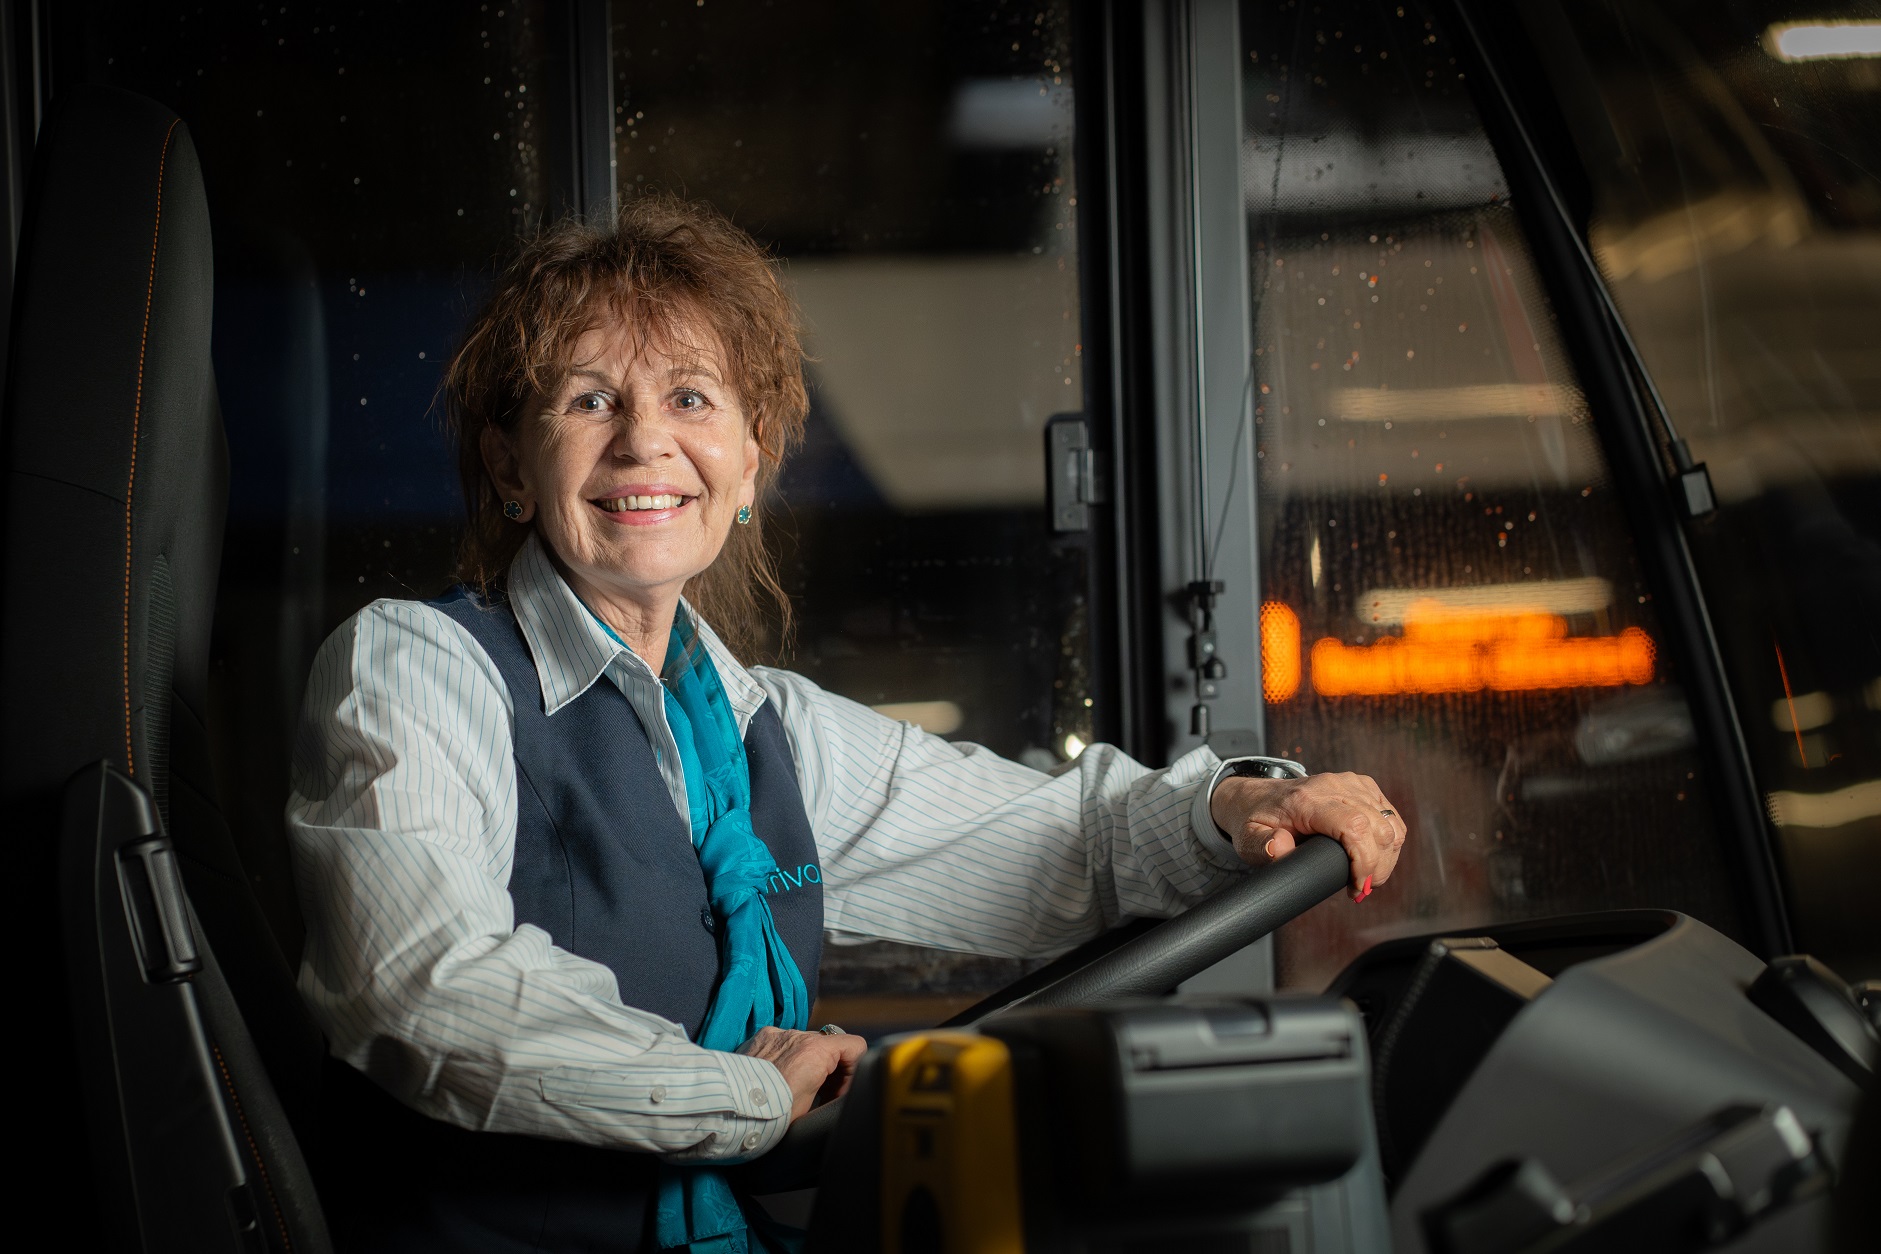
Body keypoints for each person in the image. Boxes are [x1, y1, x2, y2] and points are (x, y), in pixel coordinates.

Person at [287, 193, 1406, 1254]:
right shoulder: (419, 664)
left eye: (690, 398)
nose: (643, 444)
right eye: (589, 401)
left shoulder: (766, 728)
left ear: (748, 463)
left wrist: (1237, 801)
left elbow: (1069, 843)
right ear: (509, 466)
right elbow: (422, 985)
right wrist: (747, 1095)